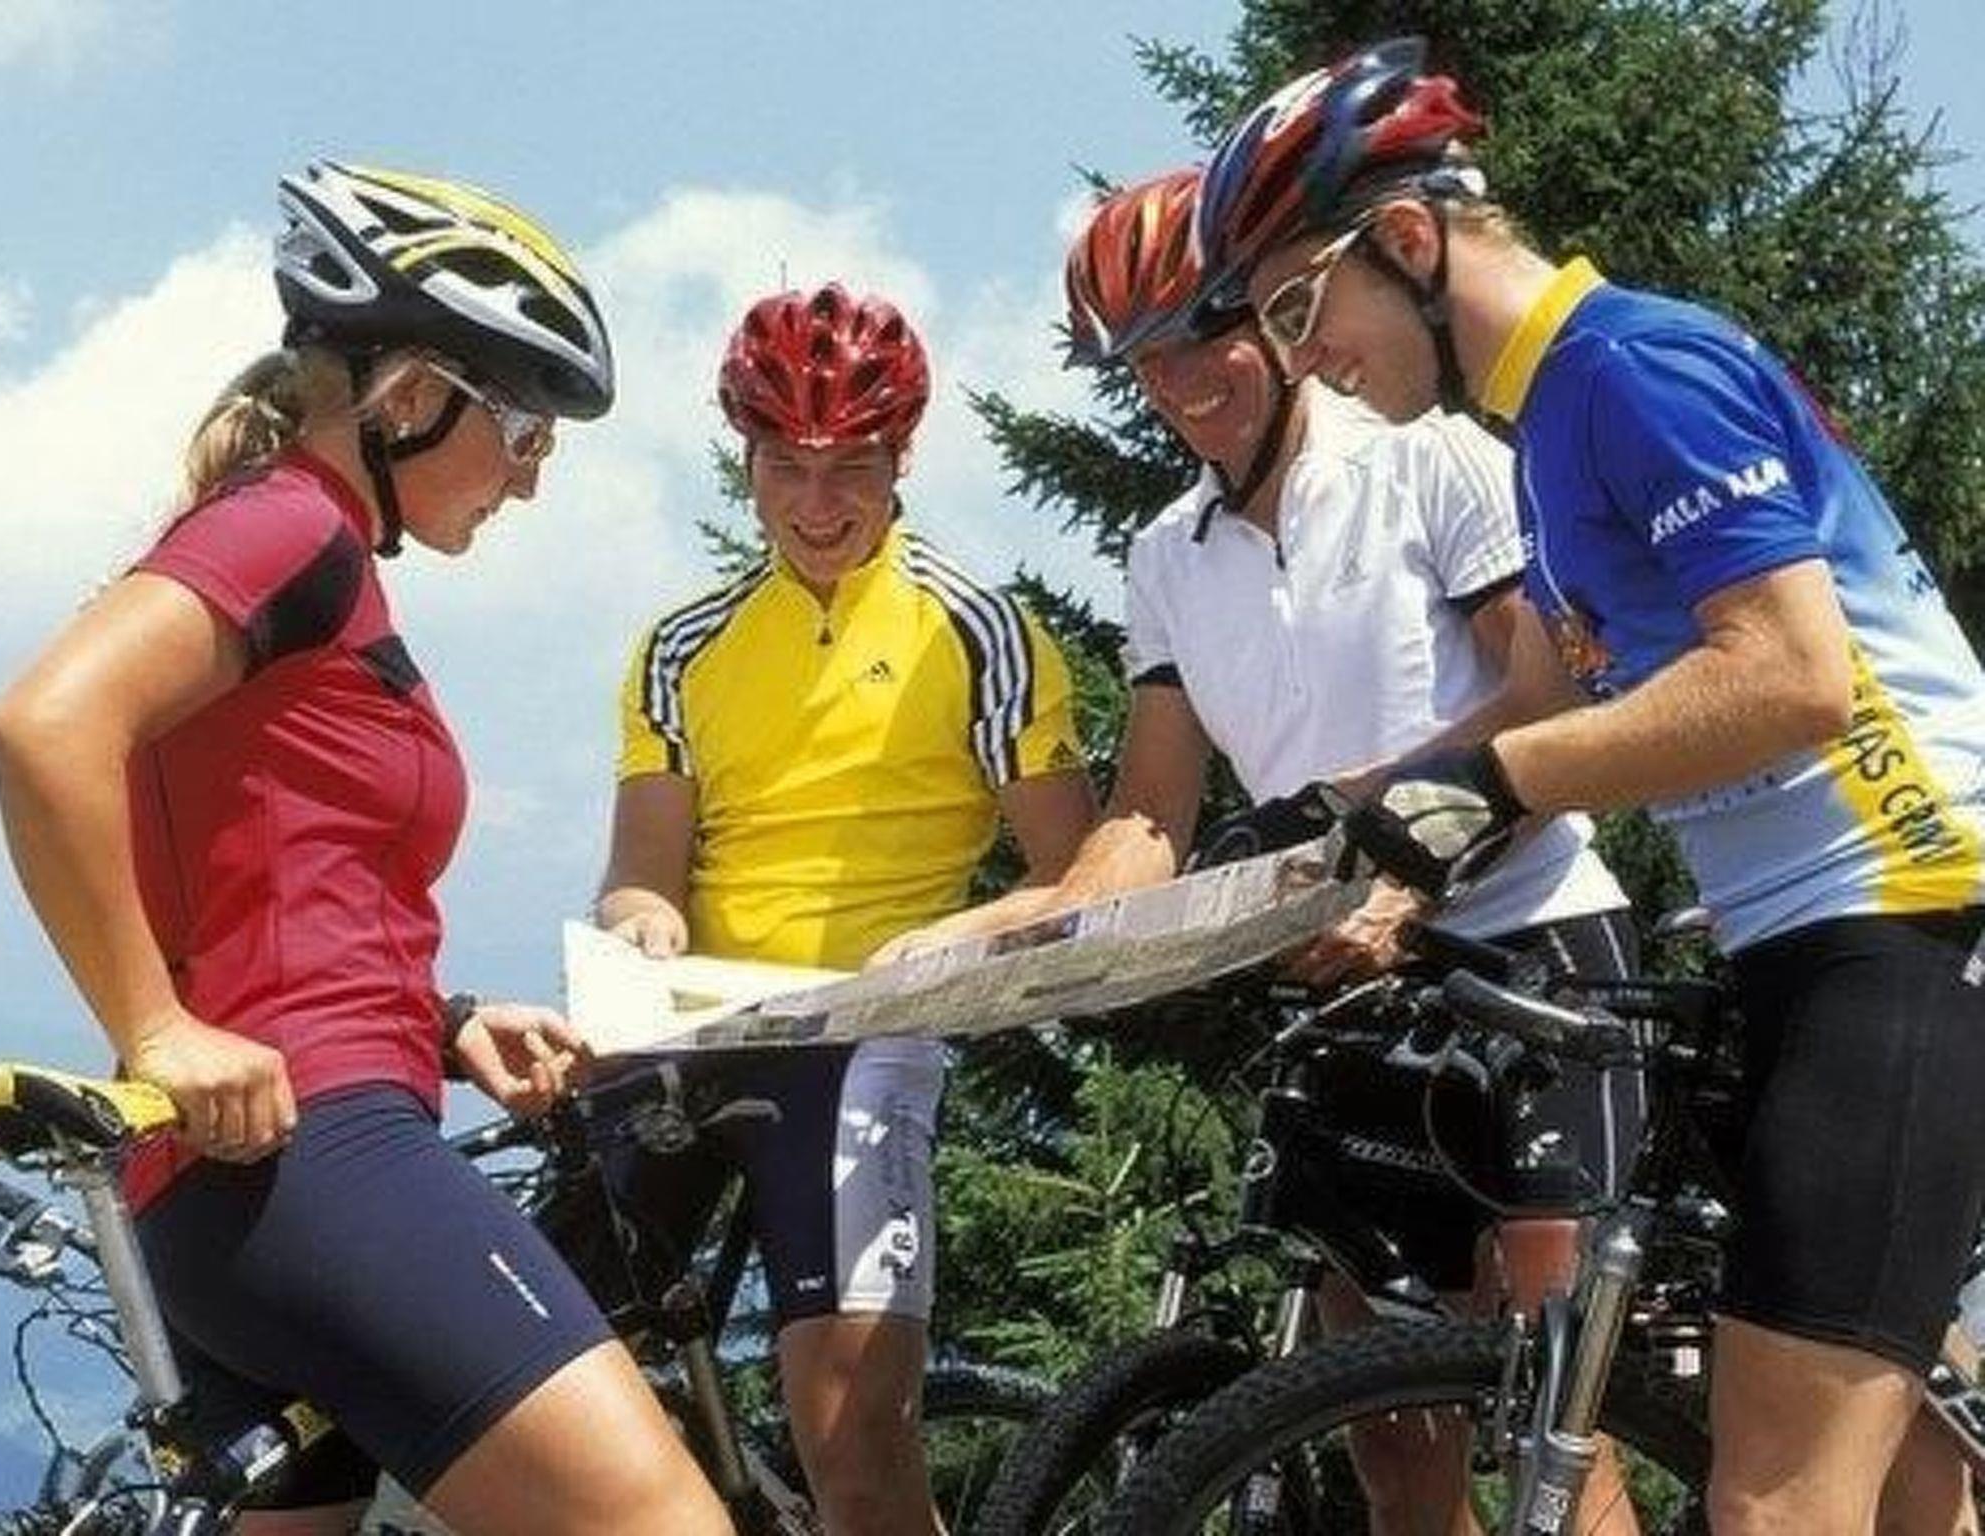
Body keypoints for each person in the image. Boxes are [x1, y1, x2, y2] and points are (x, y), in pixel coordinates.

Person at [1203, 37, 1985, 1534]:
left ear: (1408, 239)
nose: (1304, 361)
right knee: (1904, 1492)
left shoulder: (1629, 368)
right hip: (1798, 931)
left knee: (1776, 1504)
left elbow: (1791, 674)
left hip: (1900, 903)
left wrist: (1486, 781)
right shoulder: (1546, 430)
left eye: (1301, 307)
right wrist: (1339, 809)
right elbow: (1544, 704)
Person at [0, 161, 730, 1536]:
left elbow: (269, 876)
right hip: (316, 1165)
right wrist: (154, 1030)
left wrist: (438, 1022)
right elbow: (43, 728)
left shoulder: (306, 550)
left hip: (245, 1183)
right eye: (526, 429)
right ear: (411, 395)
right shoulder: (289, 530)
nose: (532, 478)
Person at [891, 166, 1644, 1532]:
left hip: (1528, 943)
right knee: (1392, 1443)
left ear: (1277, 314)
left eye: (1205, 337)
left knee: (1552, 1421)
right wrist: (1001, 929)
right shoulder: (1164, 558)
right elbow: (1147, 817)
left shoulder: (1430, 460)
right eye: (1143, 363)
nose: (1181, 385)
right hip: (1343, 979)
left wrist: (1407, 878)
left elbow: (1548, 714)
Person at [592, 281, 1096, 1536]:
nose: (817, 505)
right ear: (744, 463)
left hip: (866, 1035)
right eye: (786, 468)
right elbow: (642, 873)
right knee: (527, 1384)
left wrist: (954, 941)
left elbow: (1073, 873)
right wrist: (642, 922)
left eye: (851, 469)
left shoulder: (975, 631)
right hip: (693, 1029)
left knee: (847, 1439)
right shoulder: (679, 646)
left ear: (901, 458)